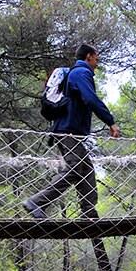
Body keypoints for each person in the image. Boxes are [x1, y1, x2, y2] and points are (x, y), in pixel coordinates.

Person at [24, 42, 120, 218]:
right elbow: (91, 99)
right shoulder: (81, 73)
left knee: (87, 170)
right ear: (88, 56)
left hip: (68, 131)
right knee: (76, 168)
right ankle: (36, 202)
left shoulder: (76, 74)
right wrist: (110, 122)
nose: (97, 64)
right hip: (67, 131)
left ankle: (88, 211)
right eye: (96, 59)